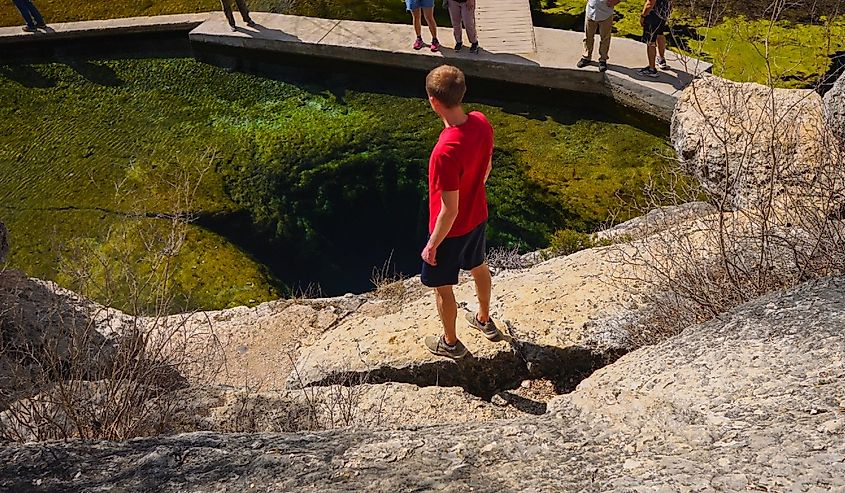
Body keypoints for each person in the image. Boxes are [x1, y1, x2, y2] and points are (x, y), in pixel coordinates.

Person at [420, 65, 502, 360]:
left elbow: (449, 210)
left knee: (443, 288)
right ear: (462, 92)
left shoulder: (444, 151)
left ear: (433, 102)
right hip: (477, 215)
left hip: (450, 231)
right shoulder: (481, 122)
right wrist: (473, 189)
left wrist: (432, 244)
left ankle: (450, 343)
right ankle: (483, 319)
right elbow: (487, 168)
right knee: (478, 265)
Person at [576, 0, 621, 72]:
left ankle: (603, 59)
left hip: (606, 14)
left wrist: (615, 1)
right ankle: (586, 57)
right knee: (588, 36)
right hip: (591, 11)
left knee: (605, 38)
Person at [637, 0, 672, 77]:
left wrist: (643, 16)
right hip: (663, 12)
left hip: (653, 15)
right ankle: (661, 59)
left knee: (650, 41)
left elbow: (650, 3)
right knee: (660, 34)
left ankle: (651, 69)